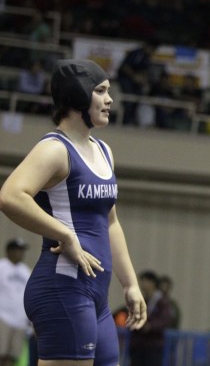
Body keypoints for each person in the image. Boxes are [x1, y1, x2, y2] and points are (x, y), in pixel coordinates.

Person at [0, 59, 147, 365]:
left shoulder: (104, 151)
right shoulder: (55, 149)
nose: (109, 100)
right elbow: (11, 196)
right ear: (79, 94)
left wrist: (130, 284)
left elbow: (111, 223)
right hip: (62, 287)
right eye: (101, 91)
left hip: (96, 294)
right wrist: (64, 234)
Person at [129, 270, 172, 366]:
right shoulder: (142, 299)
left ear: (153, 283)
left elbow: (165, 318)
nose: (143, 284)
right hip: (138, 344)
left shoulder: (161, 301)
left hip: (153, 345)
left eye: (146, 281)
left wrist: (150, 326)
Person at [0, 238, 31, 366]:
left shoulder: (25, 270)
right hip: (3, 317)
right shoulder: (2, 266)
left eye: (22, 251)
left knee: (13, 356)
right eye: (18, 250)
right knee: (1, 353)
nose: (20, 254)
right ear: (9, 251)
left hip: (19, 321)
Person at [117, 39, 159, 125]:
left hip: (135, 81)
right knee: (128, 98)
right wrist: (134, 77)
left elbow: (144, 71)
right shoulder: (136, 53)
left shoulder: (147, 57)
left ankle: (132, 119)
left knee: (138, 97)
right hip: (125, 78)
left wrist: (144, 80)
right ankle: (125, 120)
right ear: (149, 47)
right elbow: (125, 67)